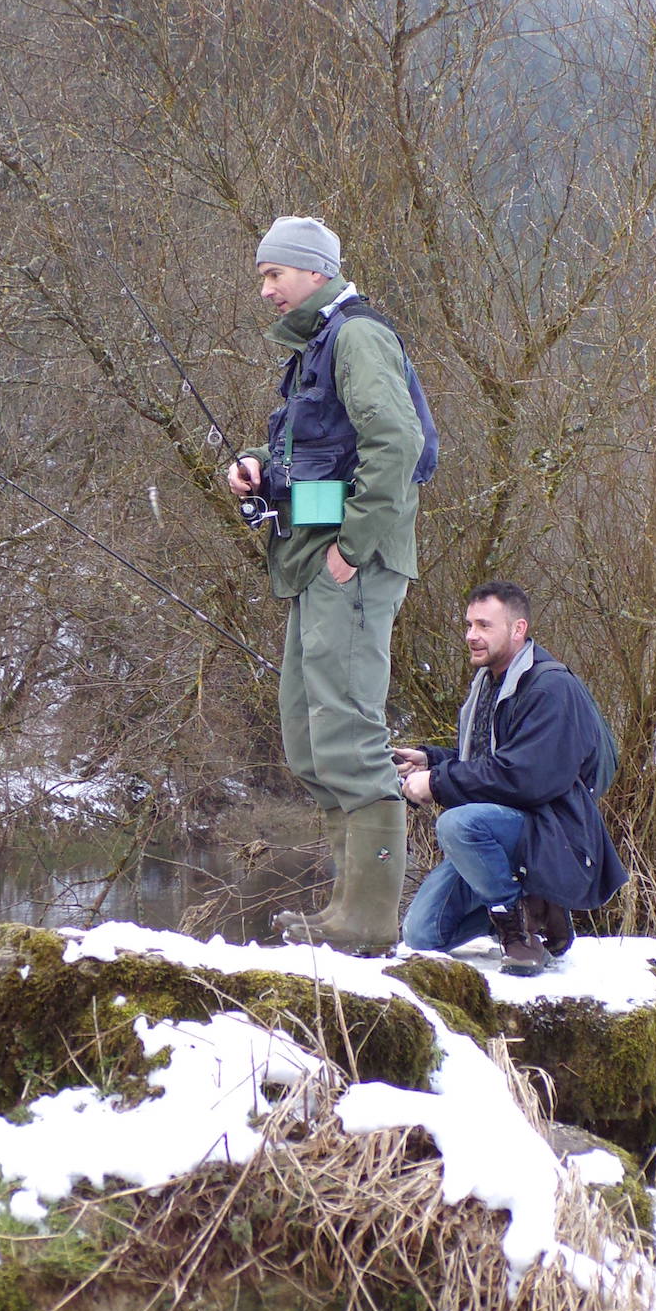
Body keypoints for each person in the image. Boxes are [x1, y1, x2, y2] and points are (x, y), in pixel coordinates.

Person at [227, 215, 437, 956]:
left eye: (274, 274)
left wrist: (353, 546)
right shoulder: (316, 346)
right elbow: (323, 452)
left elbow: (399, 442)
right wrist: (259, 464)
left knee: (348, 734)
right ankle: (345, 910)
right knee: (310, 741)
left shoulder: (357, 338)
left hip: (349, 566)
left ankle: (368, 922)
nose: (266, 289)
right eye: (263, 276)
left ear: (314, 271)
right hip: (312, 564)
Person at [394, 581, 626, 974]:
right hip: (504, 829)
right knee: (422, 934)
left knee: (457, 824)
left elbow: (525, 778)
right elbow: (488, 762)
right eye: (469, 625)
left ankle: (519, 931)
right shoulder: (489, 683)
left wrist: (436, 782)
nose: (471, 635)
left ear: (518, 629)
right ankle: (538, 908)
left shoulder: (551, 688)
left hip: (552, 833)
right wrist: (432, 760)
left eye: (484, 625)